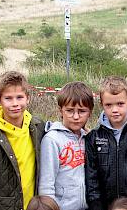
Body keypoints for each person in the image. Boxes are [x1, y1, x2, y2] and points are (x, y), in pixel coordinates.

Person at [0, 71, 45, 210]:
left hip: (34, 205)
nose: (15, 104)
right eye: (8, 98)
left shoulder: (38, 126)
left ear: (28, 98)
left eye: (19, 97)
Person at [85, 76, 127, 210]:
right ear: (102, 105)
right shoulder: (93, 138)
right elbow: (91, 179)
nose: (115, 109)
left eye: (120, 104)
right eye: (109, 105)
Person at [39, 82, 96, 210]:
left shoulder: (89, 138)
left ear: (90, 112)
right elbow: (46, 185)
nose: (75, 117)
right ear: (60, 110)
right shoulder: (52, 140)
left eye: (82, 111)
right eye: (70, 111)